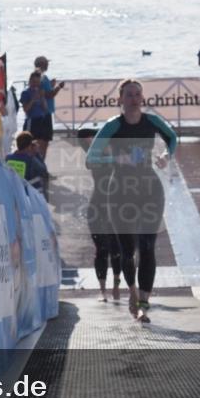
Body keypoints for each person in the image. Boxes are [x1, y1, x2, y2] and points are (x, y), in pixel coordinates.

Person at [86, 79, 177, 323]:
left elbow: (172, 138)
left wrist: (167, 156)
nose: (134, 98)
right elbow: (90, 159)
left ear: (142, 98)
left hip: (149, 189)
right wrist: (116, 162)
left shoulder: (152, 122)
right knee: (128, 251)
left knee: (148, 246)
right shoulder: (112, 126)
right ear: (120, 99)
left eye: (137, 94)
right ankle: (132, 292)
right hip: (120, 192)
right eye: (129, 95)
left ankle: (144, 305)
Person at [77, 127, 122, 302]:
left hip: (116, 206)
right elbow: (81, 134)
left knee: (116, 250)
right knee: (101, 249)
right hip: (97, 205)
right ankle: (103, 290)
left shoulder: (118, 152)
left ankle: (116, 286)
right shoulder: (94, 153)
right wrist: (101, 131)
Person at [33, 55, 64, 161]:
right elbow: (49, 94)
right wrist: (59, 87)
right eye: (46, 63)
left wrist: (50, 84)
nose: (48, 65)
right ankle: (41, 165)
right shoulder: (42, 77)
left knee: (41, 141)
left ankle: (40, 165)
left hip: (40, 113)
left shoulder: (38, 77)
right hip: (44, 113)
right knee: (43, 141)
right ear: (43, 64)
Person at [20, 70, 52, 156]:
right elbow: (26, 109)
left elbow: (45, 109)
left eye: (37, 83)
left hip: (42, 119)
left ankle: (41, 163)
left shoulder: (40, 91)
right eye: (34, 82)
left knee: (42, 143)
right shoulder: (26, 93)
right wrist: (33, 99)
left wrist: (42, 98)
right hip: (32, 120)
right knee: (30, 144)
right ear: (30, 81)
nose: (35, 85)